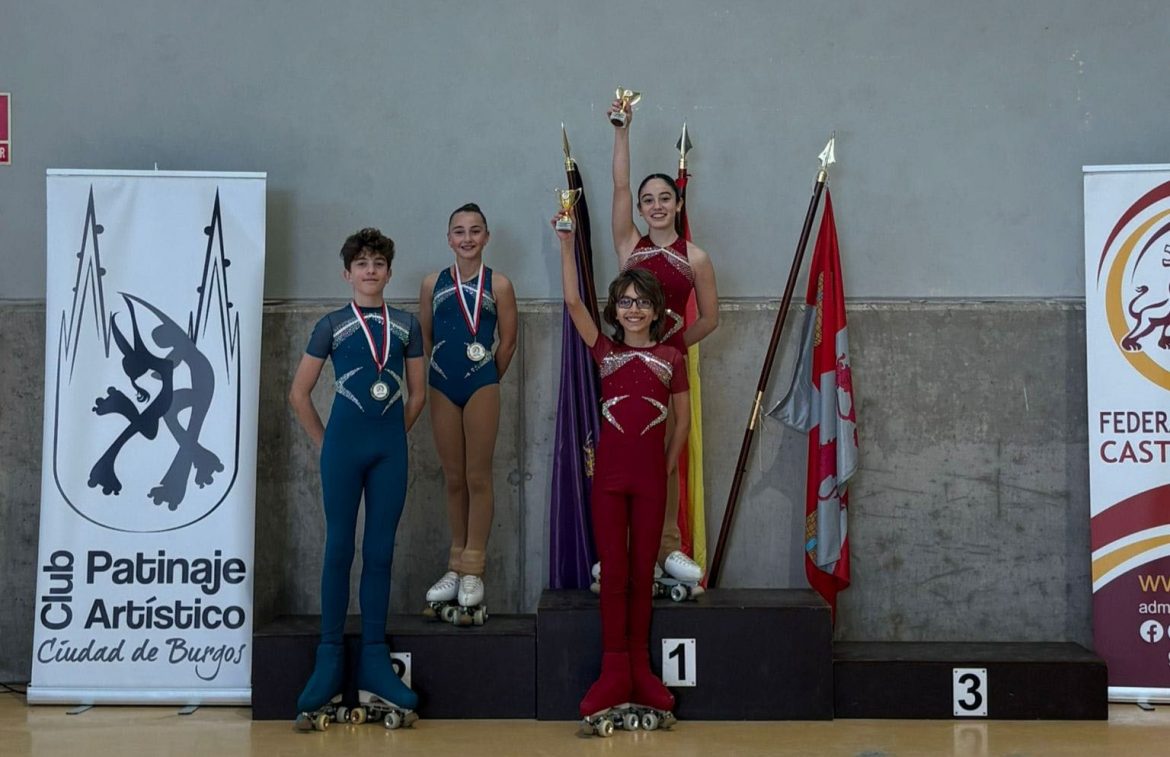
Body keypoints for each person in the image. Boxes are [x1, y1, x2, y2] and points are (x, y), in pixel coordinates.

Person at [553, 211, 690, 729]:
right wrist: (566, 245)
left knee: (641, 574)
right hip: (608, 481)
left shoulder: (671, 357)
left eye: (643, 302)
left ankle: (640, 669)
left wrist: (667, 468)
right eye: (626, 301)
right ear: (616, 308)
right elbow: (572, 302)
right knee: (613, 575)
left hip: (651, 480)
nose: (633, 309)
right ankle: (614, 669)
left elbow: (681, 425)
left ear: (657, 311)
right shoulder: (605, 353)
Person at [287, 227, 424, 728]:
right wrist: (329, 445)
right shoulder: (332, 325)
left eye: (378, 263)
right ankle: (328, 658)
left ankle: (373, 656)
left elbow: (417, 395)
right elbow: (299, 393)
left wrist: (391, 438)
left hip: (389, 451)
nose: (370, 271)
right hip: (342, 449)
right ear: (347, 273)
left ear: (389, 271)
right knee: (340, 549)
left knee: (381, 552)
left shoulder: (407, 325)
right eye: (361, 264)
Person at [601, 95, 720, 586]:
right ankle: (621, 551)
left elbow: (711, 318)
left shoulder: (696, 257)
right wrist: (623, 129)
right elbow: (620, 184)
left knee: (668, 452)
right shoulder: (631, 245)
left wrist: (671, 348)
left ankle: (667, 547)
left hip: (668, 366)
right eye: (648, 200)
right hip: (623, 363)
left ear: (678, 203)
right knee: (624, 452)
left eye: (663, 198)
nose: (653, 206)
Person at [419, 203, 518, 623]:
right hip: (442, 383)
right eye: (459, 231)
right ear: (448, 239)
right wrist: (445, 372)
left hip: (482, 384)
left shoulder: (500, 284)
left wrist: (486, 377)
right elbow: (425, 337)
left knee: (478, 475)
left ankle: (474, 566)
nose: (467, 238)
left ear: (487, 237)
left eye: (475, 231)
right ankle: (455, 564)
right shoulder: (432, 284)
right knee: (454, 477)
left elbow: (509, 342)